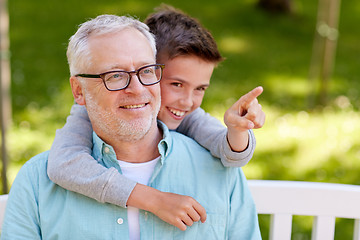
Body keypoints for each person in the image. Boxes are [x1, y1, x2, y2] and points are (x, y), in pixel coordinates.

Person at [2, 14, 261, 239]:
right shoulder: (38, 181)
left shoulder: (219, 170)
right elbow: (63, 164)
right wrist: (153, 199)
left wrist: (238, 131)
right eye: (115, 75)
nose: (137, 90)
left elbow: (227, 146)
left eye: (146, 71)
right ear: (78, 91)